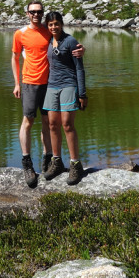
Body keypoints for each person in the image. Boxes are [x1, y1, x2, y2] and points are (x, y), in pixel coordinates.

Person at [11, 1, 83, 188]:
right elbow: (15, 57)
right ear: (27, 13)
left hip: (50, 84)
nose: (36, 14)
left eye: (39, 11)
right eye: (32, 11)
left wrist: (81, 50)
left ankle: (49, 159)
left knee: (51, 123)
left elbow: (69, 46)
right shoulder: (20, 33)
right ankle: (27, 163)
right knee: (28, 121)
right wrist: (17, 83)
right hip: (29, 82)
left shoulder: (48, 30)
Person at [41, 11, 87, 185]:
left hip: (69, 85)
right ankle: (57, 162)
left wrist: (82, 93)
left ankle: (75, 164)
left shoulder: (71, 41)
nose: (54, 27)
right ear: (48, 26)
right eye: (51, 24)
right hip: (52, 86)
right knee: (52, 124)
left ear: (62, 24)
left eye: (56, 24)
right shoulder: (46, 41)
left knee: (67, 124)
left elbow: (80, 69)